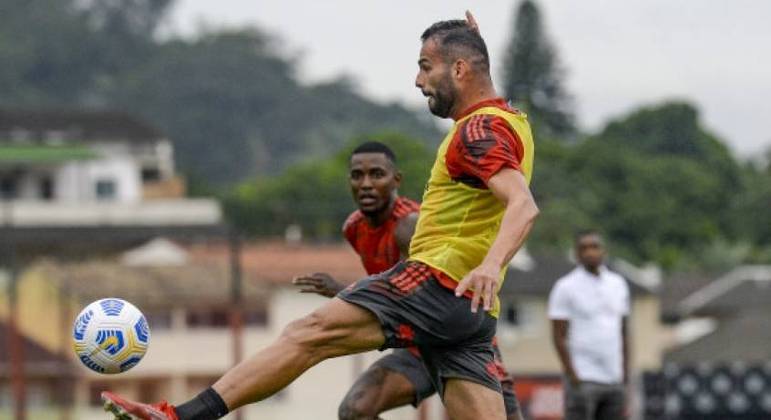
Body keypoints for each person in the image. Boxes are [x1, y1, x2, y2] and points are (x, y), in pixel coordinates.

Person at [101, 11, 537, 420]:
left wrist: (490, 264)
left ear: (459, 70)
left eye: (426, 67)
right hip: (471, 310)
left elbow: (522, 205)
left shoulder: (477, 129)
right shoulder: (510, 120)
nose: (418, 80)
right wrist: (470, 43)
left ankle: (181, 415)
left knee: (309, 333)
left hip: (438, 283)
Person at [293, 141, 523, 419]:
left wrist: (342, 291)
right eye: (357, 176)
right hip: (417, 348)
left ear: (396, 180)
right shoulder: (354, 228)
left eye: (377, 174)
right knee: (355, 410)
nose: (366, 184)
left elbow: (412, 298)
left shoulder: (412, 225)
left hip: (458, 342)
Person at [548, 230, 630, 420]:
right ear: (577, 254)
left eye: (594, 247)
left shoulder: (618, 284)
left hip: (613, 378)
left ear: (604, 251)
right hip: (583, 377)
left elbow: (624, 331)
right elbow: (558, 335)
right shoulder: (565, 287)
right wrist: (572, 375)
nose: (590, 252)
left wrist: (625, 372)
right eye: (584, 248)